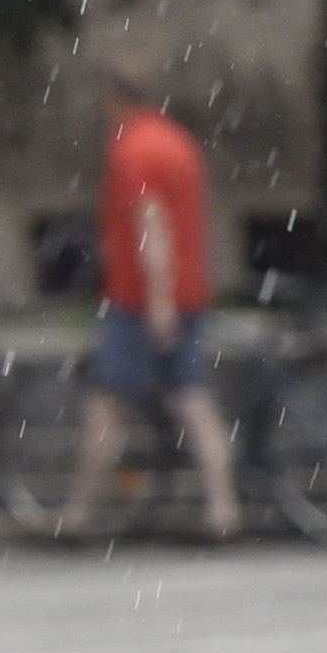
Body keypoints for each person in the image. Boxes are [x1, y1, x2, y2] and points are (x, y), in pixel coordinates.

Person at [55, 46, 237, 541]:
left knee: (105, 404)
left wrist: (157, 301)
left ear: (114, 97)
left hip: (139, 301)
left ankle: (80, 514)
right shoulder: (179, 143)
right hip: (189, 292)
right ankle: (223, 509)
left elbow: (150, 227)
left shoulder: (132, 149)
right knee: (193, 399)